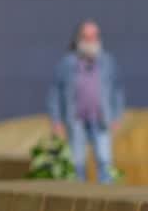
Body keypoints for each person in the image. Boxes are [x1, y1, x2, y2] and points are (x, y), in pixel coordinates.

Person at [47, 19, 125, 184]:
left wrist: (117, 116)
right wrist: (56, 121)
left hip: (101, 120)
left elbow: (117, 90)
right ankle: (79, 197)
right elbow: (54, 93)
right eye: (86, 36)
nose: (91, 41)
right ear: (78, 39)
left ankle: (107, 198)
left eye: (94, 36)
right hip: (76, 120)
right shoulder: (67, 63)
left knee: (105, 161)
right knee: (77, 163)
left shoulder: (107, 61)